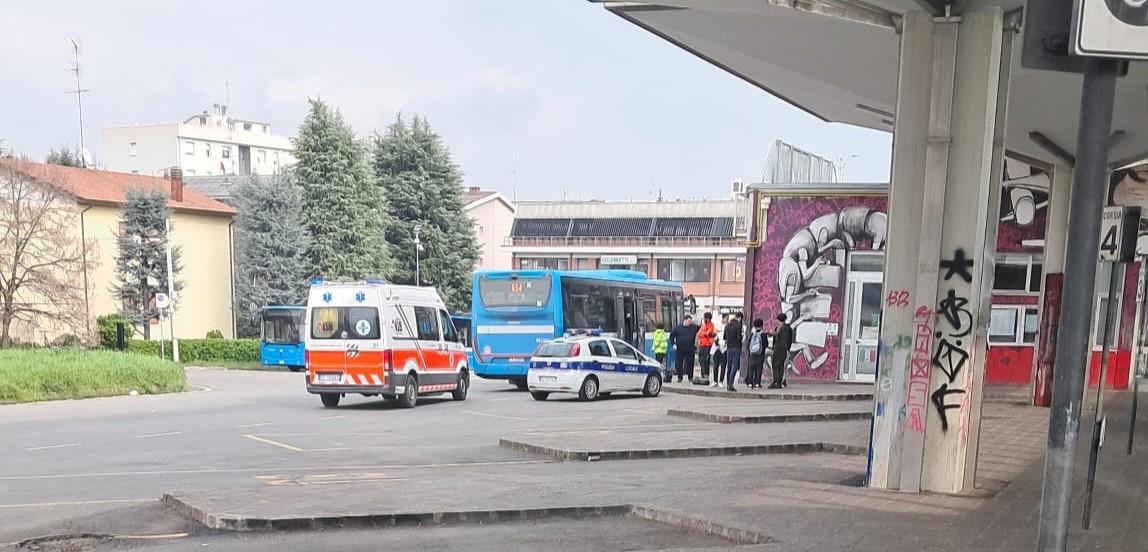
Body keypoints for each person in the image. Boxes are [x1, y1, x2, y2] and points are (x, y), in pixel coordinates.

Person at [669, 315, 700, 383]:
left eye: (691, 321)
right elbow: (671, 336)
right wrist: (673, 344)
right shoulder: (678, 328)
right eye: (689, 321)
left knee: (690, 363)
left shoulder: (694, 327)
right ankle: (680, 377)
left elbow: (701, 328)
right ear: (685, 320)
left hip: (690, 349)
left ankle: (690, 377)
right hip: (680, 349)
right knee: (679, 363)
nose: (690, 322)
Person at [770, 312, 794, 389]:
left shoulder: (778, 328)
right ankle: (780, 382)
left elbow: (775, 337)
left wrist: (773, 347)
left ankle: (775, 381)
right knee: (781, 365)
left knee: (775, 365)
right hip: (785, 348)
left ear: (778, 320)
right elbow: (790, 340)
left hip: (778, 348)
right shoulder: (789, 328)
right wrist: (788, 348)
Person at [723, 312, 744, 392]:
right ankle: (730, 384)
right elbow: (739, 338)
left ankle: (728, 383)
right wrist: (742, 338)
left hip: (729, 347)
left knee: (729, 365)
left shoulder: (727, 325)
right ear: (740, 318)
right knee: (734, 366)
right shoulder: (738, 325)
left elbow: (724, 337)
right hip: (736, 347)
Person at [746, 318, 767, 389]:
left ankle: (750, 383)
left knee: (751, 368)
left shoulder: (752, 334)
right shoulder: (763, 334)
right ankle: (757, 383)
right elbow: (765, 344)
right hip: (760, 354)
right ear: (762, 326)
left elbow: (748, 344)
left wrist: (750, 351)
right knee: (759, 368)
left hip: (752, 354)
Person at [696, 312, 717, 381]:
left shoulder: (711, 325)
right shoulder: (703, 325)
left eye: (705, 318)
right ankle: (703, 374)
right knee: (701, 360)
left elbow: (708, 334)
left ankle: (706, 374)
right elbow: (698, 334)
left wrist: (703, 334)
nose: (704, 319)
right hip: (701, 345)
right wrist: (704, 334)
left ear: (708, 318)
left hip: (707, 345)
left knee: (706, 361)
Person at [711, 313, 729, 388]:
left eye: (727, 319)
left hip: (724, 348)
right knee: (715, 365)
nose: (727, 320)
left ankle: (721, 381)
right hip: (717, 347)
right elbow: (714, 335)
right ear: (723, 318)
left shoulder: (728, 326)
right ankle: (715, 381)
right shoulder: (717, 325)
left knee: (723, 365)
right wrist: (716, 342)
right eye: (726, 318)